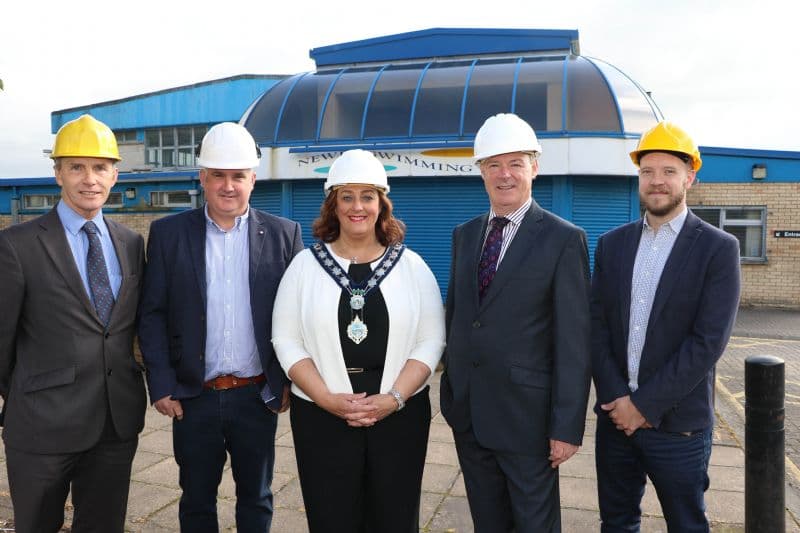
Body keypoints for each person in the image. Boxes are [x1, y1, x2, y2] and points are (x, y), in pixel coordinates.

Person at [137, 122, 303, 532]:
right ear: (202, 178)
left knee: (258, 498)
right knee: (195, 499)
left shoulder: (285, 235)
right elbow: (152, 314)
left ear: (253, 179)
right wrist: (160, 383)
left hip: (257, 394)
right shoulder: (168, 234)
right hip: (194, 397)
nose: (228, 186)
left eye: (238, 176)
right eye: (218, 176)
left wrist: (286, 380)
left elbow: (298, 315)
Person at [271, 149, 445, 532]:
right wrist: (325, 398)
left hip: (399, 417)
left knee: (395, 518)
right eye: (346, 196)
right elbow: (285, 340)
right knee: (331, 516)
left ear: (382, 205)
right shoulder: (304, 266)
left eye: (367, 196)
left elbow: (431, 341)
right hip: (321, 416)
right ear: (332, 205)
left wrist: (393, 398)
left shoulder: (412, 266)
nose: (357, 207)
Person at [440, 113, 591, 532]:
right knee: (488, 522)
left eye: (515, 163)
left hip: (530, 422)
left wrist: (566, 427)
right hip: (470, 413)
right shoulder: (464, 235)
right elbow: (459, 316)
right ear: (481, 171)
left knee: (534, 524)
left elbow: (574, 341)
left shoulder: (563, 239)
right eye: (493, 165)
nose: (504, 175)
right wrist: (451, 395)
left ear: (534, 168)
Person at [591, 121, 741, 532]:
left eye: (668, 172)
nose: (656, 182)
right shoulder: (612, 244)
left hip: (677, 426)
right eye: (647, 172)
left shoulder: (718, 249)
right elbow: (597, 326)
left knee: (686, 524)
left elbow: (707, 343)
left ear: (690, 177)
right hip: (615, 419)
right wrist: (618, 399)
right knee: (617, 522)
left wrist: (643, 406)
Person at [0, 114, 146, 532]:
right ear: (58, 172)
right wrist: (32, 390)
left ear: (115, 174)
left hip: (115, 424)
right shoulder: (17, 246)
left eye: (100, 167)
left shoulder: (130, 243)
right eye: (76, 167)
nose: (89, 179)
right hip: (42, 424)